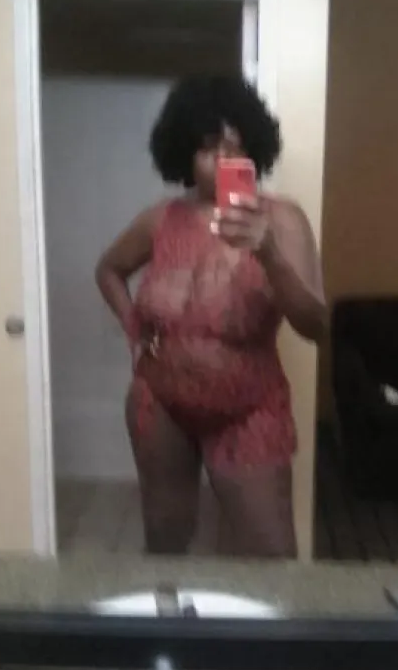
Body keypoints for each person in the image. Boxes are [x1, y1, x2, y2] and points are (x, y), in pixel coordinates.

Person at [96, 75, 326, 558]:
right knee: (165, 535)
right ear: (184, 152)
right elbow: (109, 270)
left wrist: (269, 255)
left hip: (249, 408)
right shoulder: (160, 219)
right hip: (160, 401)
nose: (222, 158)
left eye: (234, 147)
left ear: (254, 151)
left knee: (270, 553)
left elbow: (316, 325)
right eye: (207, 147)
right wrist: (133, 327)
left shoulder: (282, 219)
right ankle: (169, 609)